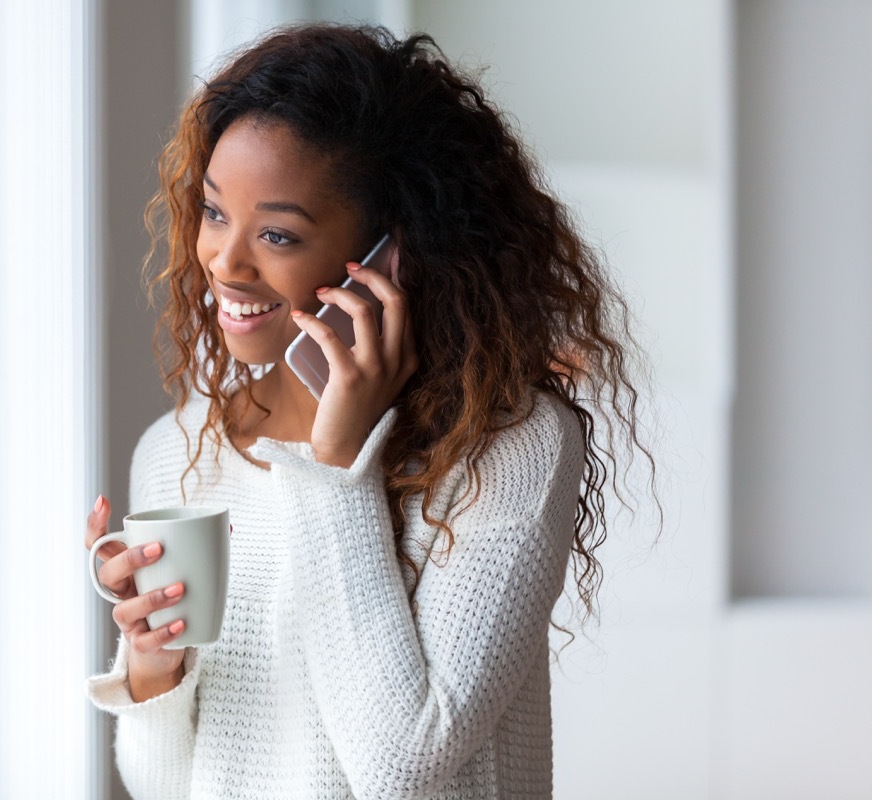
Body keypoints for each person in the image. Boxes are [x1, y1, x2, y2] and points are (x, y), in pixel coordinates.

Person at [85, 24, 651, 799]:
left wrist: (337, 464)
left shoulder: (505, 450)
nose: (223, 260)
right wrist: (155, 663)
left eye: (277, 233)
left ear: (394, 253)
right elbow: (161, 784)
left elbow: (402, 767)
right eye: (216, 212)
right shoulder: (181, 449)